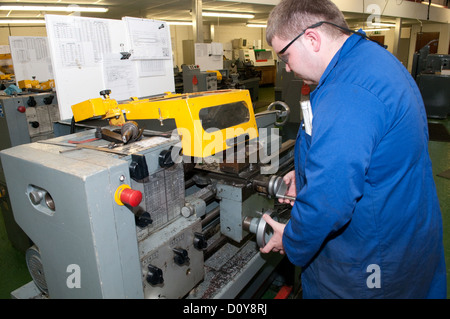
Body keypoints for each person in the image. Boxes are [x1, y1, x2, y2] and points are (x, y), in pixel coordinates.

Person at [260, 0, 447, 298]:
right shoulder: (368, 58)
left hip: (370, 259)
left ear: (311, 39)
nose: (286, 66)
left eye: (285, 55)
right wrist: (305, 174)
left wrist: (293, 240)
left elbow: (330, 199)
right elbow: (353, 154)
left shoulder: (348, 93)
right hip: (403, 229)